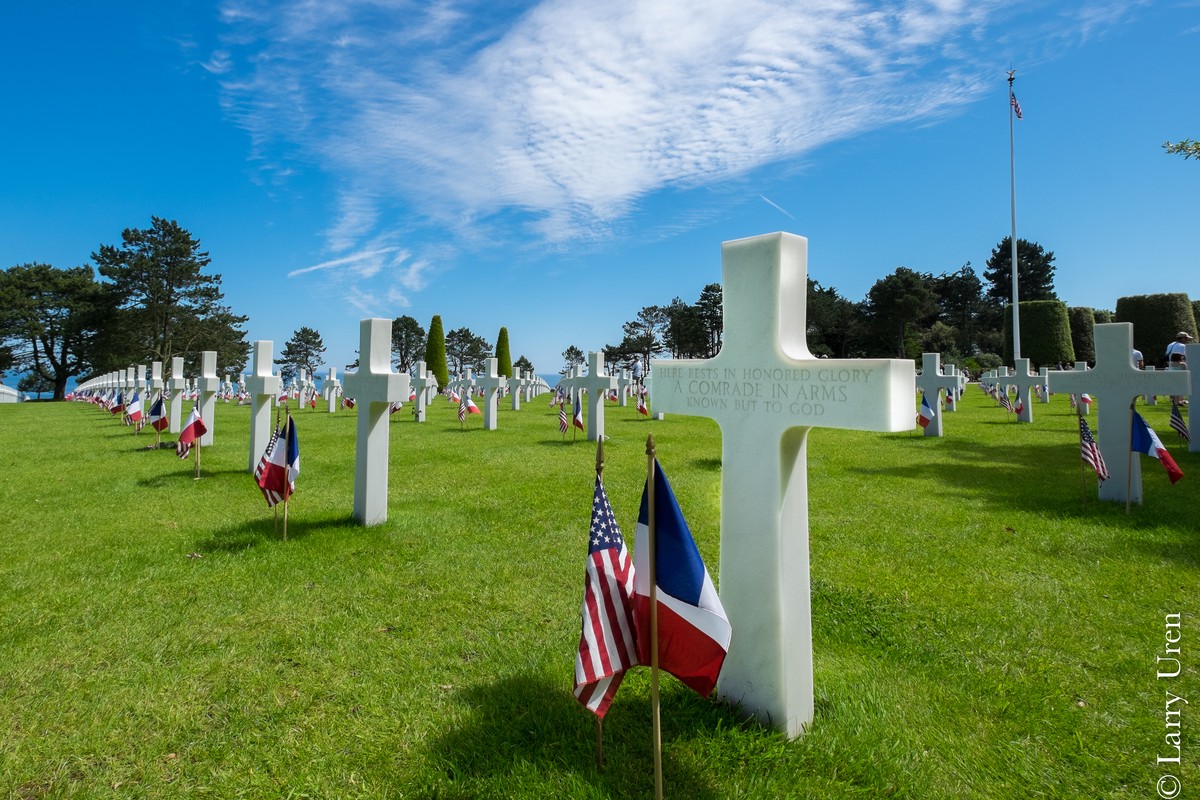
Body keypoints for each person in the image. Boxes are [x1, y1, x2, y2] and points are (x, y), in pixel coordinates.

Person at [1165, 331, 1191, 404]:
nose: (1187, 340)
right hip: (1180, 366)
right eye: (1186, 338)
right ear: (1182, 338)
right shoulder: (1182, 346)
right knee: (1180, 383)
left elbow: (1167, 356)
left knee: (1173, 383)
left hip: (1171, 366)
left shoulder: (1170, 345)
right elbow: (1185, 357)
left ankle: (1173, 399)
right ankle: (1180, 400)